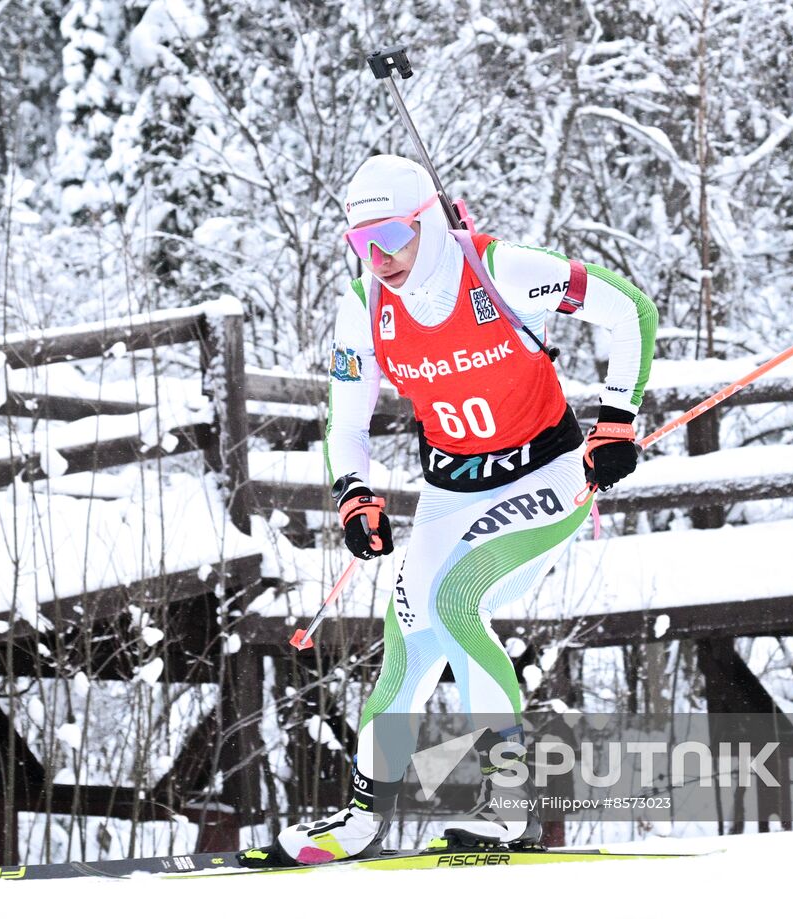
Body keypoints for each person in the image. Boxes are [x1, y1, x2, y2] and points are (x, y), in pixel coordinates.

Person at [248, 154, 657, 867]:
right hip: (450, 490)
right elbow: (345, 422)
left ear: (428, 223)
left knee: (458, 599)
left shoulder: (504, 271)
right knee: (410, 636)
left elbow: (629, 310)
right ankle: (359, 821)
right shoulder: (363, 306)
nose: (380, 260)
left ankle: (508, 804)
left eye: (392, 239)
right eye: (361, 245)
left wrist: (616, 420)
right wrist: (354, 492)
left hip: (547, 472)